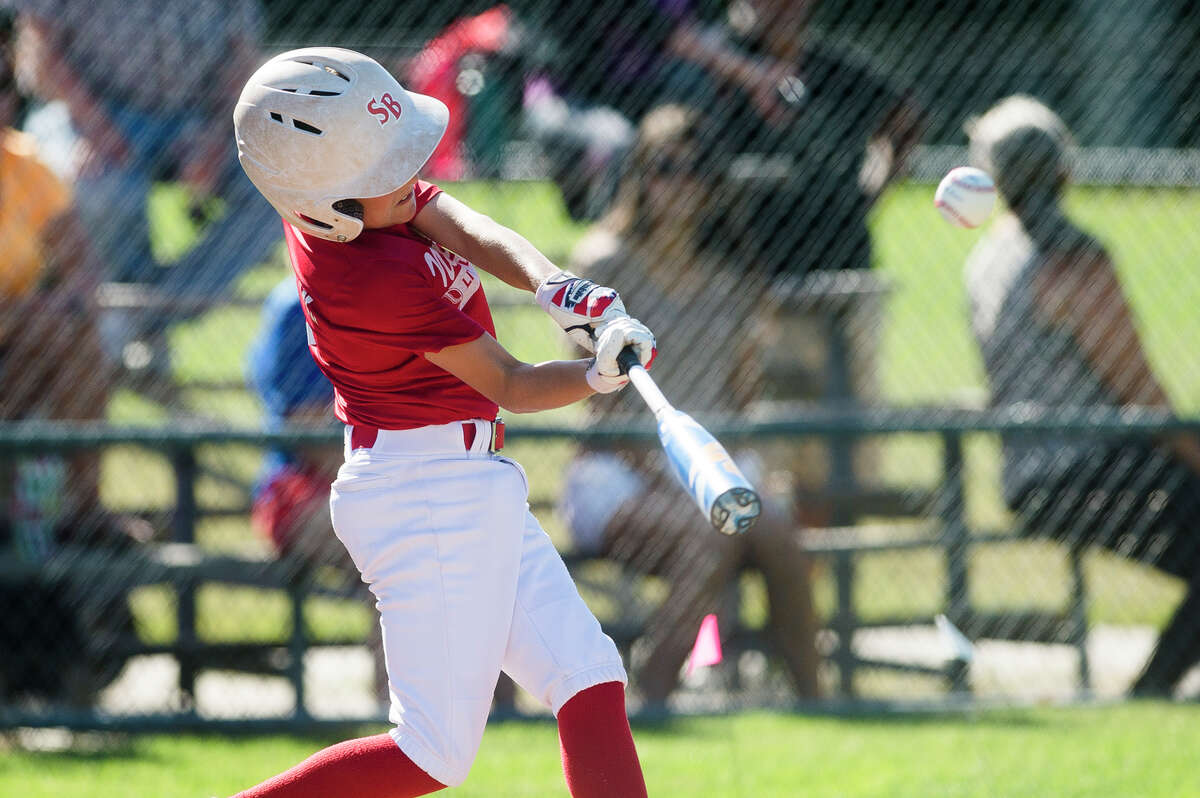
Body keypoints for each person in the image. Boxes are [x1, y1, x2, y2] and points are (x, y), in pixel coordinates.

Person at [228, 47, 655, 796]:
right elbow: (515, 386)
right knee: (430, 752)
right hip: (425, 492)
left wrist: (556, 286)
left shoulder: (357, 208)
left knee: (588, 679)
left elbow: (461, 222)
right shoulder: (369, 278)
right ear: (324, 198)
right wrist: (596, 374)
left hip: (460, 481)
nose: (408, 177)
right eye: (381, 172)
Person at [562, 104, 820, 705]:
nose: (680, 184)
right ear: (640, 176)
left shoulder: (733, 278)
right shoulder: (604, 266)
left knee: (778, 534)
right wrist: (670, 474)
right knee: (714, 533)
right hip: (618, 471)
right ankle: (651, 699)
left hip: (708, 462)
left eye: (696, 170)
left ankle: (819, 701)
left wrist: (737, 468)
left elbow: (740, 397)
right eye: (665, 168)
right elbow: (592, 394)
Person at [963, 95, 1200, 697]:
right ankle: (1150, 693)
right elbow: (1139, 393)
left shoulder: (987, 259)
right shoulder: (1072, 256)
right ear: (1064, 171)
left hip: (1032, 474)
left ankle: (1151, 689)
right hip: (1085, 470)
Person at [11, 0, 283, 372]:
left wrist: (218, 136)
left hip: (197, 120)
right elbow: (37, 55)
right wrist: (96, 127)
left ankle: (141, 318)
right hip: (85, 111)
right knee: (99, 186)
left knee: (276, 193)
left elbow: (241, 57)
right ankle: (111, 323)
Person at [0, 10, 138, 705]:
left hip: (20, 357)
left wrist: (54, 305)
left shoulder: (26, 166)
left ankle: (78, 501)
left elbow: (83, 271)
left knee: (70, 328)